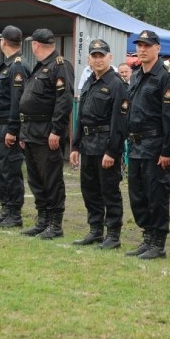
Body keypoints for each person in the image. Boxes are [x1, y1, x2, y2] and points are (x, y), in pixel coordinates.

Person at [125, 30, 170, 259]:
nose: (142, 49)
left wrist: (167, 150)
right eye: (139, 45)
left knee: (156, 194)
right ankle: (147, 237)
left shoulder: (166, 78)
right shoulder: (136, 75)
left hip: (155, 144)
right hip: (136, 144)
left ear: (157, 48)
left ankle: (158, 242)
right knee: (137, 194)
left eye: (147, 45)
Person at [70, 39, 129, 249]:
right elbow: (81, 117)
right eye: (94, 56)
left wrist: (112, 151)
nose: (98, 60)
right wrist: (75, 146)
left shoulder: (116, 83)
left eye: (101, 56)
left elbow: (119, 122)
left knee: (109, 190)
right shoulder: (89, 82)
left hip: (105, 146)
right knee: (90, 189)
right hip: (87, 144)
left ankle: (113, 234)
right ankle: (95, 230)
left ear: (110, 57)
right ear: (89, 59)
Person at [18, 28, 74, 239]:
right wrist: (23, 133)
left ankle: (55, 223)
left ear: (36, 45)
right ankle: (42, 219)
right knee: (36, 179)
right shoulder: (40, 67)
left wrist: (56, 131)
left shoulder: (59, 66)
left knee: (51, 178)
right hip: (31, 131)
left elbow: (64, 100)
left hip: (46, 132)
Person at [0, 25, 30, 229]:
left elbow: (16, 101)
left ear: (3, 42)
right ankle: (5, 210)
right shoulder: (7, 65)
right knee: (1, 171)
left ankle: (14, 213)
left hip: (8, 127)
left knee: (10, 171)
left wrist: (13, 130)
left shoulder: (17, 66)